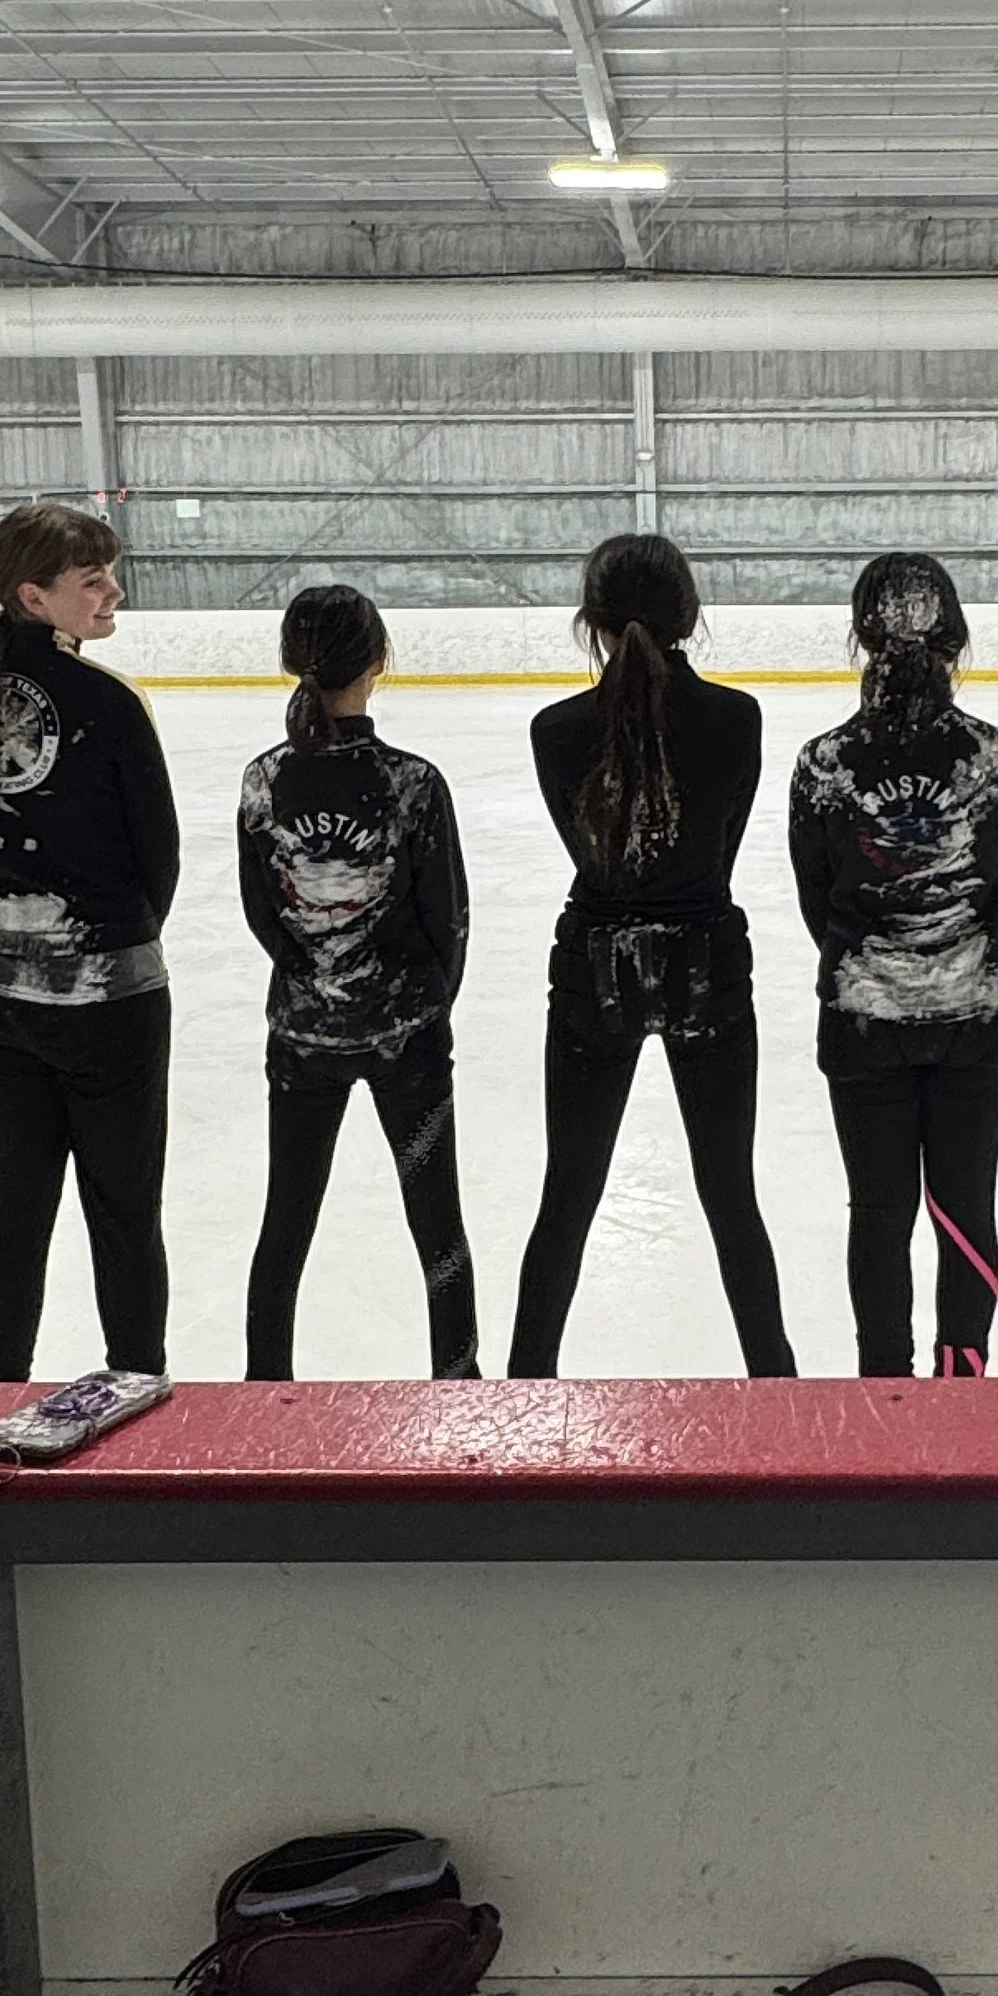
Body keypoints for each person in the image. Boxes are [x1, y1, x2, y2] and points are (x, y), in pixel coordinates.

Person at [508, 533, 796, 1379]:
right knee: (731, 1197)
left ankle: (526, 1383)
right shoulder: (737, 718)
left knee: (567, 1197)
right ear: (689, 615)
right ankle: (775, 1385)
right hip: (707, 960)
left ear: (590, 621)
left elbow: (589, 850)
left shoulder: (555, 731)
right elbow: (720, 853)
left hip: (595, 968)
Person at [0, 500, 178, 1390]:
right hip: (105, 1000)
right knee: (124, 1209)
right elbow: (158, 857)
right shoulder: (108, 701)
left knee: (11, 1209)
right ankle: (135, 1384)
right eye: (93, 580)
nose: (115, 592)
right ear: (35, 596)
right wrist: (109, 952)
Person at [789, 554, 998, 1377]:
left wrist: (882, 958)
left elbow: (819, 899)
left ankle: (885, 1384)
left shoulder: (823, 763)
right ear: (955, 638)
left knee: (880, 1211)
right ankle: (963, 1378)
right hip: (979, 1017)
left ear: (863, 637)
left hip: (865, 1022)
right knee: (966, 1204)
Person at [238, 584, 477, 1381]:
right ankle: (457, 1381)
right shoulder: (413, 782)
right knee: (437, 1222)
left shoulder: (263, 780)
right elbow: (449, 917)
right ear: (378, 661)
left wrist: (316, 976)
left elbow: (263, 912)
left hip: (302, 1036)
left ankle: (264, 1381)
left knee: (286, 1219)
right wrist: (421, 1007)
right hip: (407, 1037)